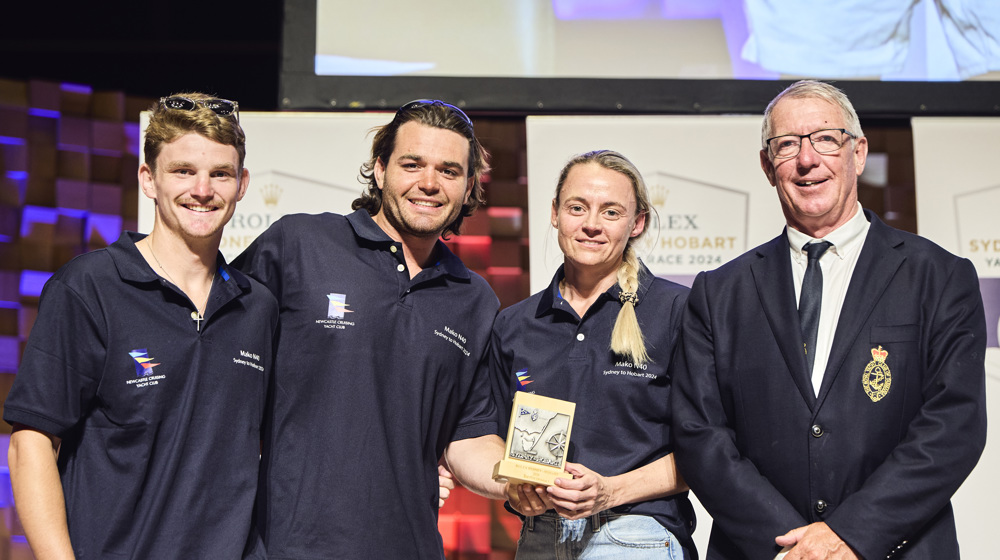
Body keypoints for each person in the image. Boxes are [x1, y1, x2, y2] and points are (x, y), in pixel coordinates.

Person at [671, 80, 987, 559]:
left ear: (857, 153)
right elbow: (701, 436)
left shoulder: (939, 277)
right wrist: (796, 547)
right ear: (766, 166)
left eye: (825, 138)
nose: (806, 159)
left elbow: (954, 424)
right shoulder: (719, 292)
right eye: (786, 145)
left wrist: (849, 534)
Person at [4, 93, 277, 558]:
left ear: (242, 183)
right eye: (183, 171)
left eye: (221, 174)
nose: (203, 189)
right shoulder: (90, 287)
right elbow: (31, 442)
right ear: (148, 179)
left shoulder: (258, 306)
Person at [234, 99, 507, 559]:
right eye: (412, 164)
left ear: (467, 189)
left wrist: (521, 483)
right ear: (379, 170)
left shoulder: (475, 300)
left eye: (449, 171)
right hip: (290, 546)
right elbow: (218, 356)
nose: (429, 183)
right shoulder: (300, 244)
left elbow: (470, 435)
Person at [491, 150, 696, 559]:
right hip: (538, 538)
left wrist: (610, 491)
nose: (590, 225)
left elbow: (710, 447)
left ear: (637, 223)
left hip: (636, 533)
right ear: (554, 213)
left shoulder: (679, 311)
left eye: (611, 212)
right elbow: (492, 440)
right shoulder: (513, 324)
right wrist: (517, 489)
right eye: (577, 207)